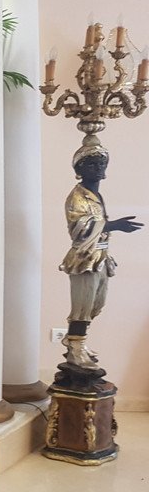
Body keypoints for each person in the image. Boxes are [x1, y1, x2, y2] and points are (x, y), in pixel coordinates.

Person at [59, 140, 142, 369]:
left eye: (101, 163)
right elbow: (79, 228)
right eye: (92, 164)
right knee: (82, 306)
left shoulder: (96, 195)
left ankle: (77, 340)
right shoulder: (77, 197)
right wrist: (114, 225)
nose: (98, 168)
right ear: (79, 169)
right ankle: (75, 347)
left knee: (97, 303)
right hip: (84, 259)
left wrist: (111, 227)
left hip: (101, 258)